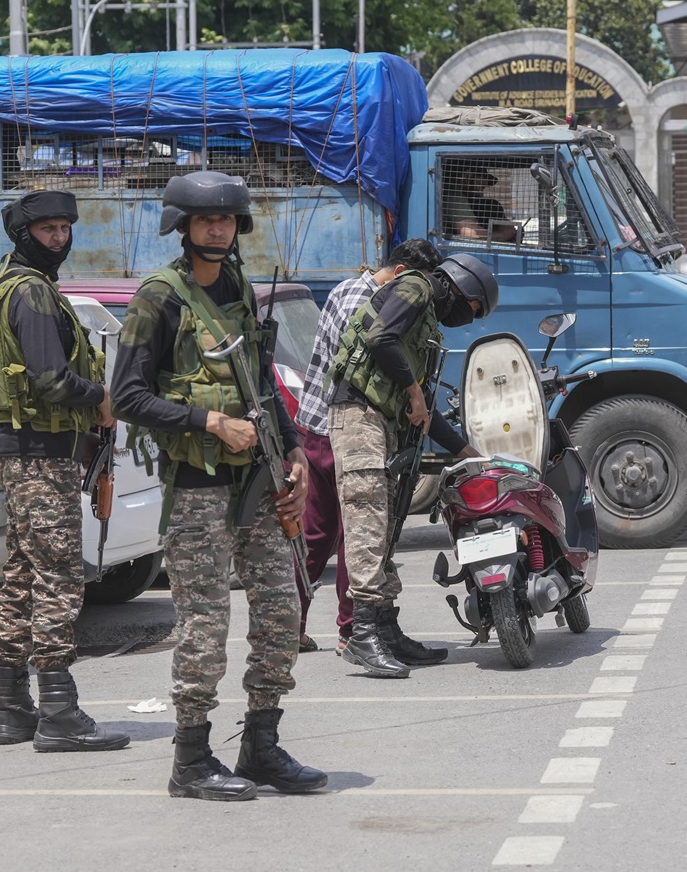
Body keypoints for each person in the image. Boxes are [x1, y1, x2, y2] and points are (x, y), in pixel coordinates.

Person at [111, 171, 326, 801]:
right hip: (198, 484)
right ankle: (192, 758)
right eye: (206, 220)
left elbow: (260, 379)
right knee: (204, 628)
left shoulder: (237, 287)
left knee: (283, 614)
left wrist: (293, 454)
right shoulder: (159, 298)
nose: (217, 229)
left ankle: (261, 743)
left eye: (227, 220)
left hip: (257, 480)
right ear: (182, 226)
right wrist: (207, 420)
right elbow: (126, 396)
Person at [0, 189, 128, 753]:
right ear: (24, 234)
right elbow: (49, 379)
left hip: (27, 451)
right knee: (60, 577)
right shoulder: (34, 294)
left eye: (65, 228)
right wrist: (102, 397)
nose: (59, 239)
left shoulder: (17, 285)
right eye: (48, 231)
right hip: (39, 453)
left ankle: (14, 711)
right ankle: (59, 712)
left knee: (21, 577)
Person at [330, 253, 496, 678]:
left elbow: (424, 409)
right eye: (475, 308)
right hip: (358, 415)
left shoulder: (425, 323)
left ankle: (385, 629)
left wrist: (466, 453)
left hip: (380, 421)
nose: (471, 318)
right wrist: (415, 393)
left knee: (385, 527)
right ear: (462, 289)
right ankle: (362, 634)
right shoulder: (417, 286)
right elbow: (381, 338)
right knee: (368, 522)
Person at [294, 239, 444, 656]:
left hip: (316, 426)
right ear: (401, 275)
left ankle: (291, 626)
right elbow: (368, 366)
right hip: (344, 427)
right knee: (359, 531)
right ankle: (351, 631)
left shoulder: (345, 289)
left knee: (319, 535)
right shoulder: (371, 299)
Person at [444, 162, 517, 242]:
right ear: (467, 175)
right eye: (481, 185)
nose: (482, 192)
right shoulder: (455, 197)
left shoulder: (488, 205)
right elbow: (470, 234)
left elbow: (508, 228)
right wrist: (502, 235)